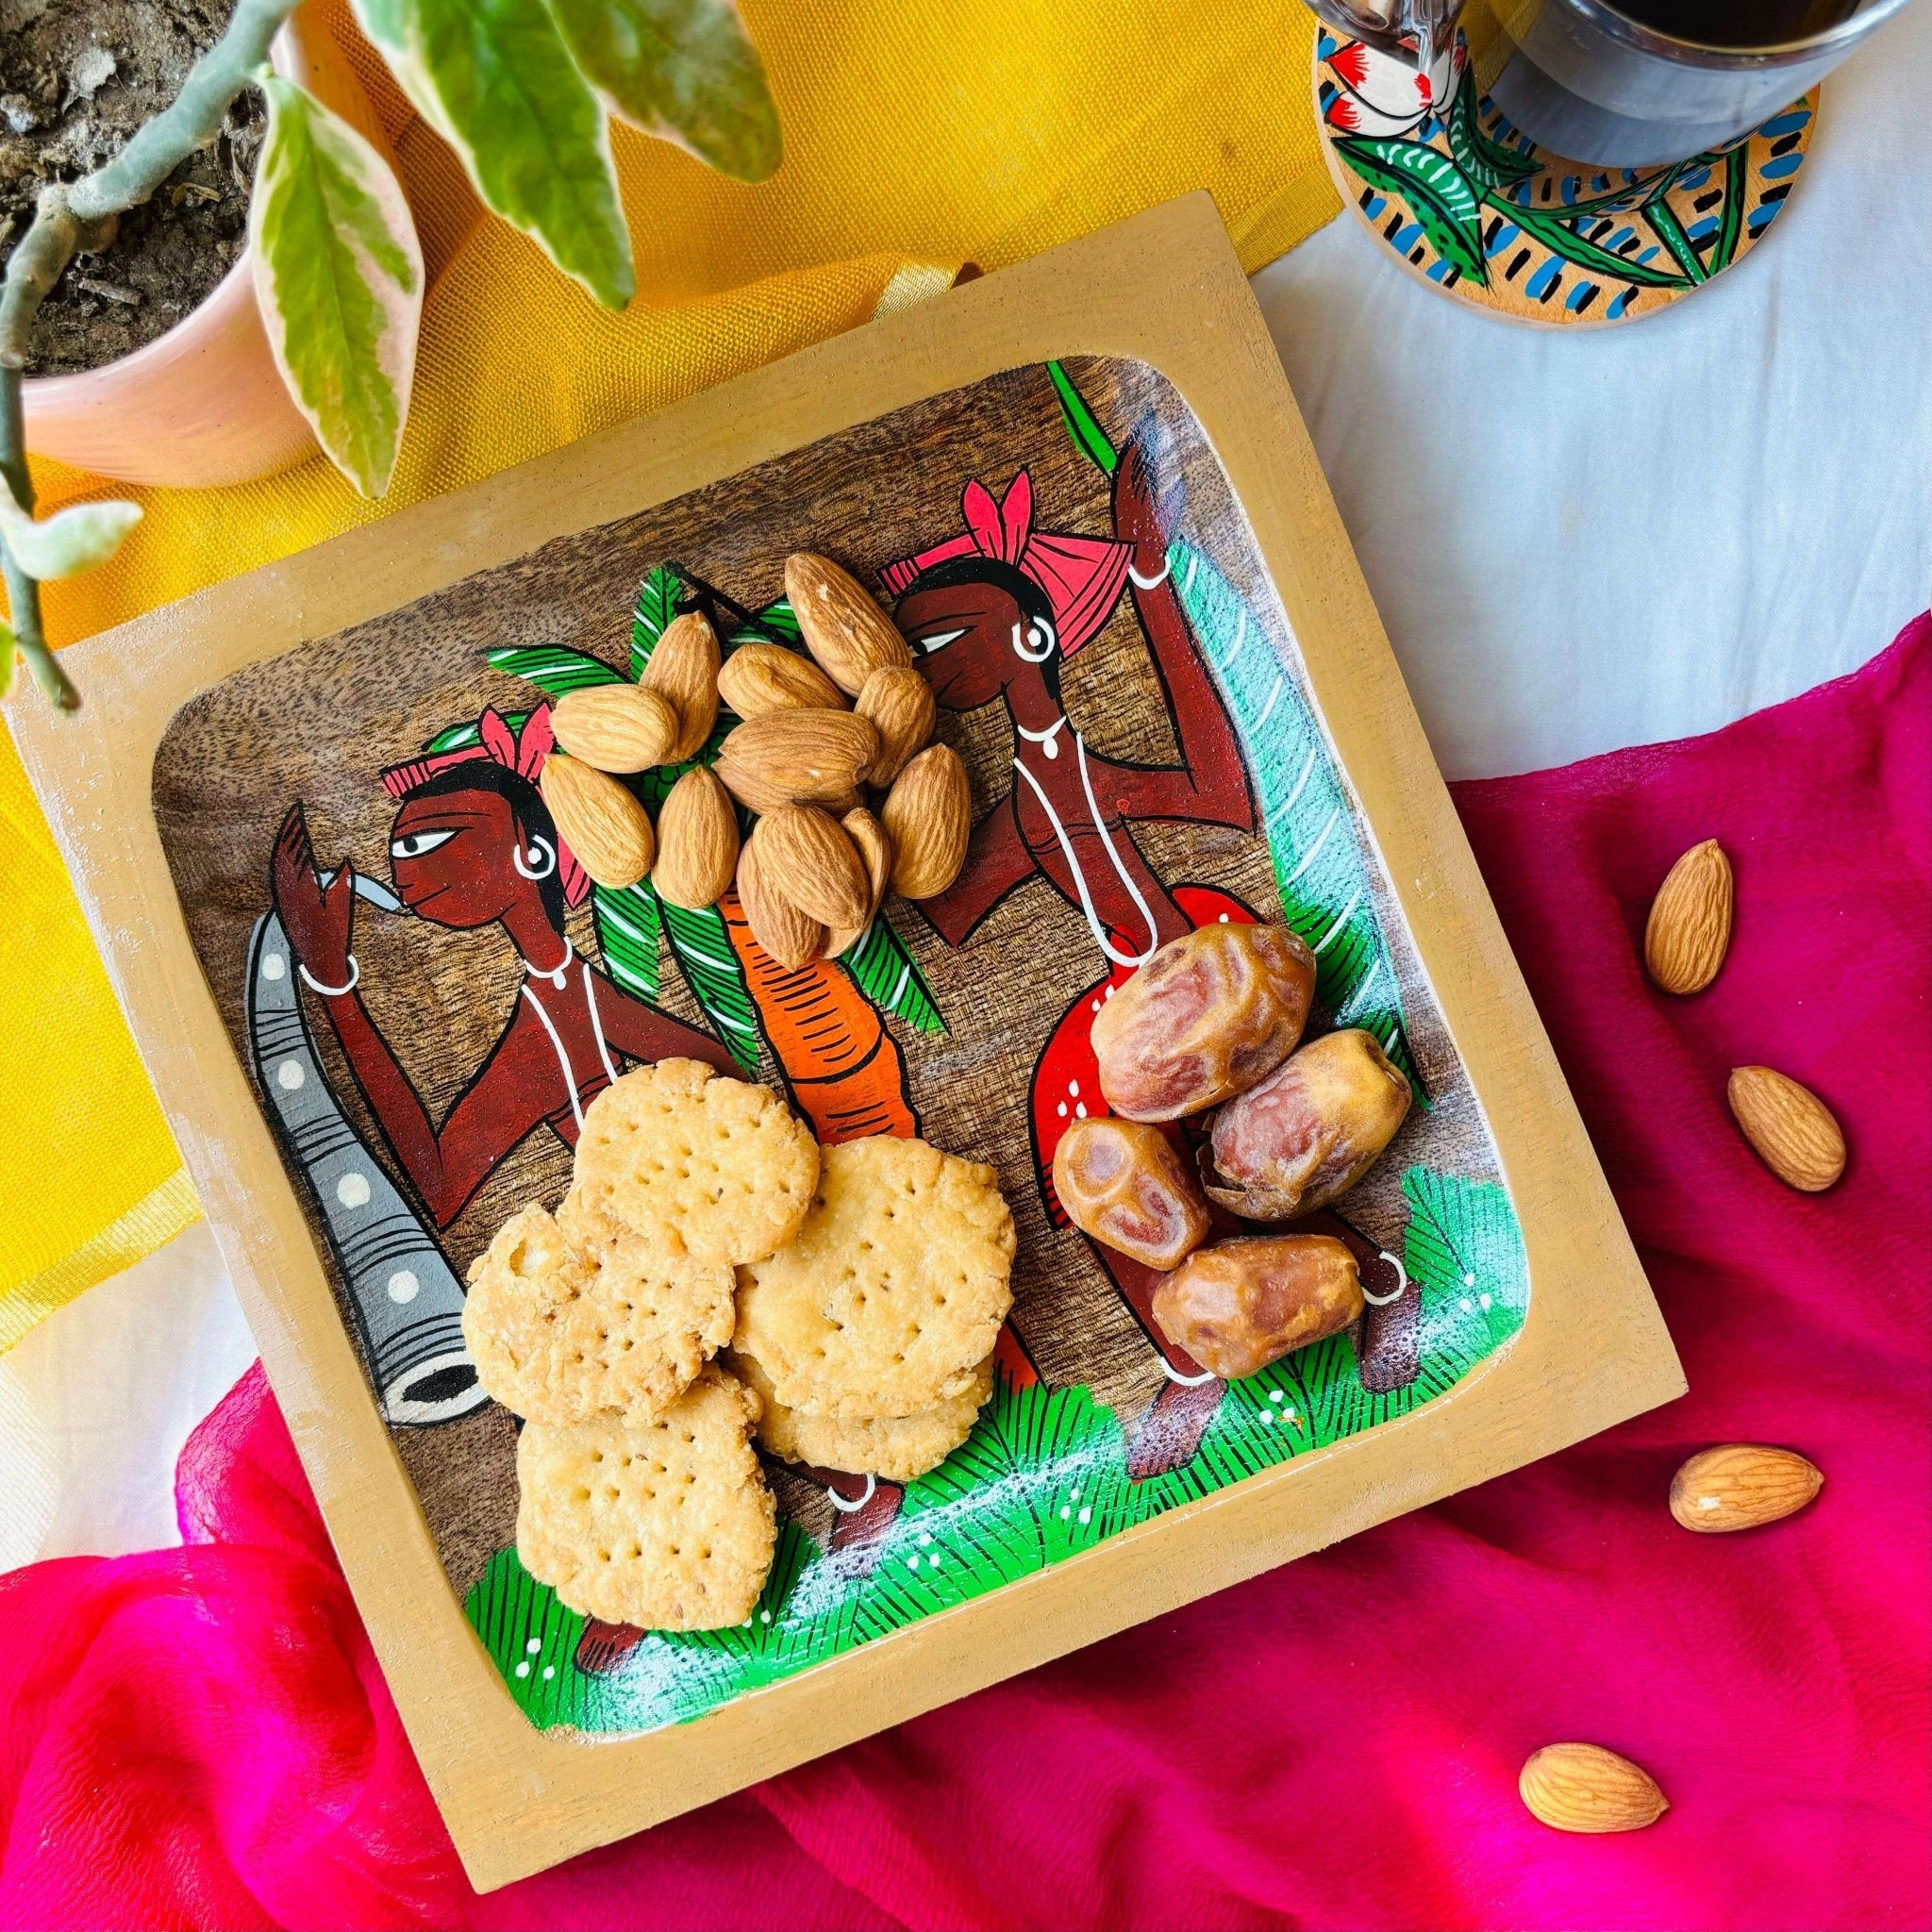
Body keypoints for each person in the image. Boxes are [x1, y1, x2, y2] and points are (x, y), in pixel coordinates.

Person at [885, 430, 1261, 1474]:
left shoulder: (1083, 766)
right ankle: (1185, 1359)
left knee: (1242, 1138)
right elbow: (950, 909)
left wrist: (1147, 578)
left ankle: (1368, 1274)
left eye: (942, 638)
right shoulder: (997, 798)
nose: (926, 665)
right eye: (917, 650)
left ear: (1033, 633)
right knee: (1078, 1145)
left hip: (1190, 944)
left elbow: (1215, 787)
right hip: (1113, 997)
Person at [271, 704, 732, 1231]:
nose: (403, 870)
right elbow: (441, 1189)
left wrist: (338, 990)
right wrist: (335, 987)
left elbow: (734, 1085)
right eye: (401, 848)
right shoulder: (554, 1013)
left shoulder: (566, 1006)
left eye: (427, 841)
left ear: (533, 854)